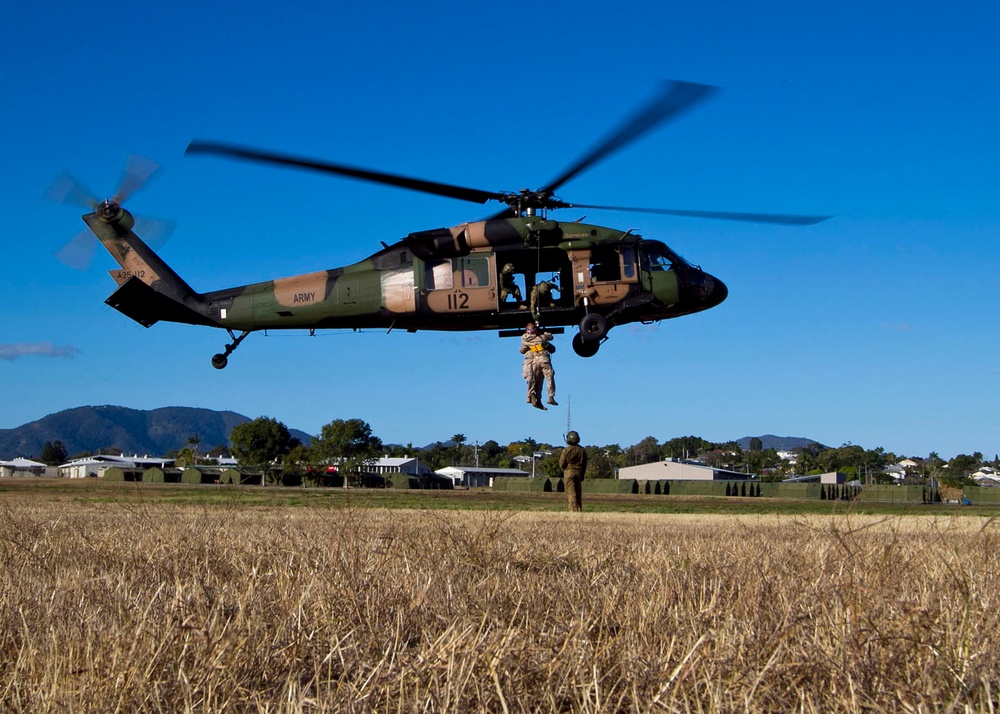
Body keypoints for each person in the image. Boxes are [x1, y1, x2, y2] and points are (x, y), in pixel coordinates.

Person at [519, 321, 557, 409]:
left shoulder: (528, 340)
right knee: (542, 379)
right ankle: (545, 397)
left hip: (537, 361)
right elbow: (551, 341)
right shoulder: (538, 338)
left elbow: (521, 350)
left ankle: (537, 397)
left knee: (538, 380)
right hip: (540, 360)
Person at [559, 431, 587, 512]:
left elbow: (561, 463)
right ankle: (579, 509)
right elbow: (585, 464)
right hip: (578, 471)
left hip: (569, 471)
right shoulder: (582, 450)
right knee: (578, 492)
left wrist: (564, 469)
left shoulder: (566, 450)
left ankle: (573, 510)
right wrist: (582, 474)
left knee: (571, 492)